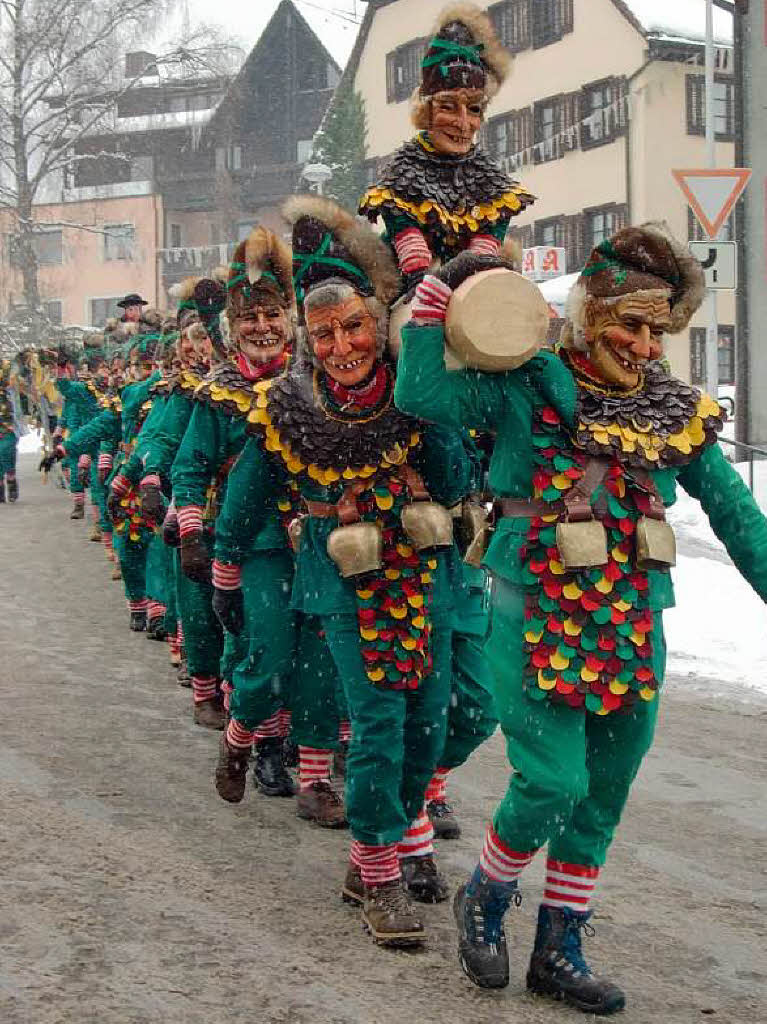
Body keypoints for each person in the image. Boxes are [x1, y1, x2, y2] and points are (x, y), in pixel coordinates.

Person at [393, 223, 767, 1013]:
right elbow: (421, 395)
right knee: (551, 782)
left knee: (601, 792)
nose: (642, 343)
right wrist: (430, 307)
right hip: (530, 607)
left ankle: (558, 947)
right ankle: (487, 899)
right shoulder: (525, 385)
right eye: (628, 323)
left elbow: (736, 514)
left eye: (656, 328)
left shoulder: (675, 410)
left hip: (632, 620)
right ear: (590, 316)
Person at [214, 195, 473, 947]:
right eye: (322, 332)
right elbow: (244, 501)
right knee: (381, 728)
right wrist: (225, 570)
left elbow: (456, 481)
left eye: (353, 326)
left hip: (423, 580)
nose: (339, 346)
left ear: (377, 324)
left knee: (428, 730)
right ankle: (378, 877)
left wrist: (431, 398)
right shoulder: (283, 408)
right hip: (341, 582)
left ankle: (379, 850)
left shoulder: (417, 394)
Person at [359, 2, 533, 290]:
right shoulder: (402, 172)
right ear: (426, 112)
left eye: (474, 110)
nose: (464, 123)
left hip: (474, 288)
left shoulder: (493, 182)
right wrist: (424, 285)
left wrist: (474, 280)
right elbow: (413, 257)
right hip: (411, 286)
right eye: (449, 108)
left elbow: (483, 255)